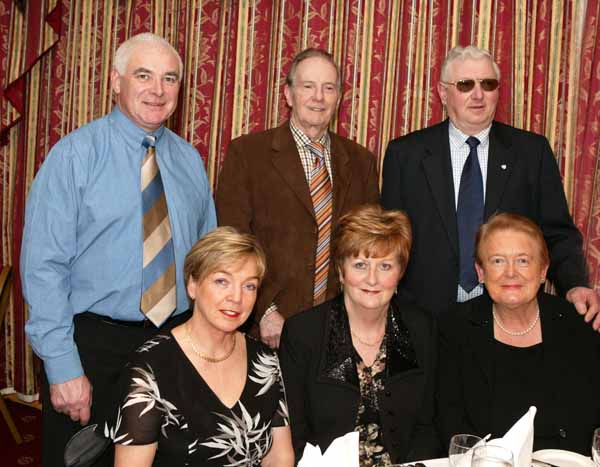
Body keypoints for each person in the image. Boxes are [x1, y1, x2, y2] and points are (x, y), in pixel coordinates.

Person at [20, 33, 216, 466]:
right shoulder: (73, 156)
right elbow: (43, 269)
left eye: (170, 79)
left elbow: (208, 262)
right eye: (143, 75)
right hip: (93, 347)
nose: (157, 90)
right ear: (115, 81)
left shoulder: (190, 161)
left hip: (173, 344)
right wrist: (64, 366)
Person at [381, 45, 599, 329]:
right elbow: (388, 239)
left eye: (488, 84)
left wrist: (574, 285)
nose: (478, 94)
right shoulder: (406, 154)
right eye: (465, 85)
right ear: (443, 93)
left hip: (508, 319)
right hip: (423, 319)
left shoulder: (531, 152)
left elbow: (556, 233)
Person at [216, 48, 380, 348]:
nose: (318, 97)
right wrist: (263, 311)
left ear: (338, 98)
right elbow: (233, 241)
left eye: (328, 88)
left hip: (339, 328)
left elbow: (369, 247)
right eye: (308, 86)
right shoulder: (248, 154)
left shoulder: (361, 162)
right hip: (268, 328)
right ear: (288, 94)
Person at [110, 227, 294, 467]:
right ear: (192, 285)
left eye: (249, 286)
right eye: (222, 281)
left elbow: (280, 458)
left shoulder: (265, 361)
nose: (236, 297)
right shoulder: (151, 367)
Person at [279, 204, 439, 465]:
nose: (372, 279)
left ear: (400, 273)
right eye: (361, 265)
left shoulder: (422, 328)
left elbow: (428, 426)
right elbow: (295, 435)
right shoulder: (303, 334)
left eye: (385, 266)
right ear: (341, 271)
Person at [436, 213, 600, 454]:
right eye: (498, 261)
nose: (511, 273)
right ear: (480, 272)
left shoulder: (579, 324)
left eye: (523, 260)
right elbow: (451, 426)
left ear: (543, 271)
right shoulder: (454, 329)